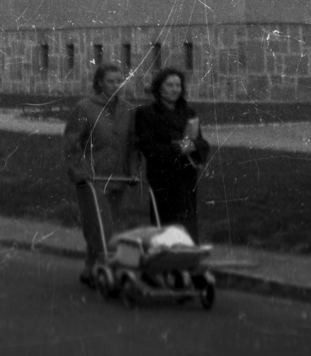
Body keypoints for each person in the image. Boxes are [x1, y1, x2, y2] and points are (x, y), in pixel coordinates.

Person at [62, 61, 136, 286]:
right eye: (111, 81)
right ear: (100, 83)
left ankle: (89, 268)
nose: (116, 85)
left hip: (118, 176)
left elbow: (133, 143)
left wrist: (133, 170)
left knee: (105, 224)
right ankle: (107, 268)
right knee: (101, 225)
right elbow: (72, 143)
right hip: (93, 178)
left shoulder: (127, 109)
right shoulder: (85, 107)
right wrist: (81, 171)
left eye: (119, 81)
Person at [132, 66, 210, 240]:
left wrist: (193, 146)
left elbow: (201, 142)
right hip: (163, 178)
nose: (175, 89)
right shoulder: (147, 113)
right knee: (166, 226)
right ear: (159, 88)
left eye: (178, 85)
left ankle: (187, 254)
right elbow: (149, 148)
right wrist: (178, 148)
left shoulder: (188, 113)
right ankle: (166, 255)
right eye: (170, 85)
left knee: (187, 224)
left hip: (186, 177)